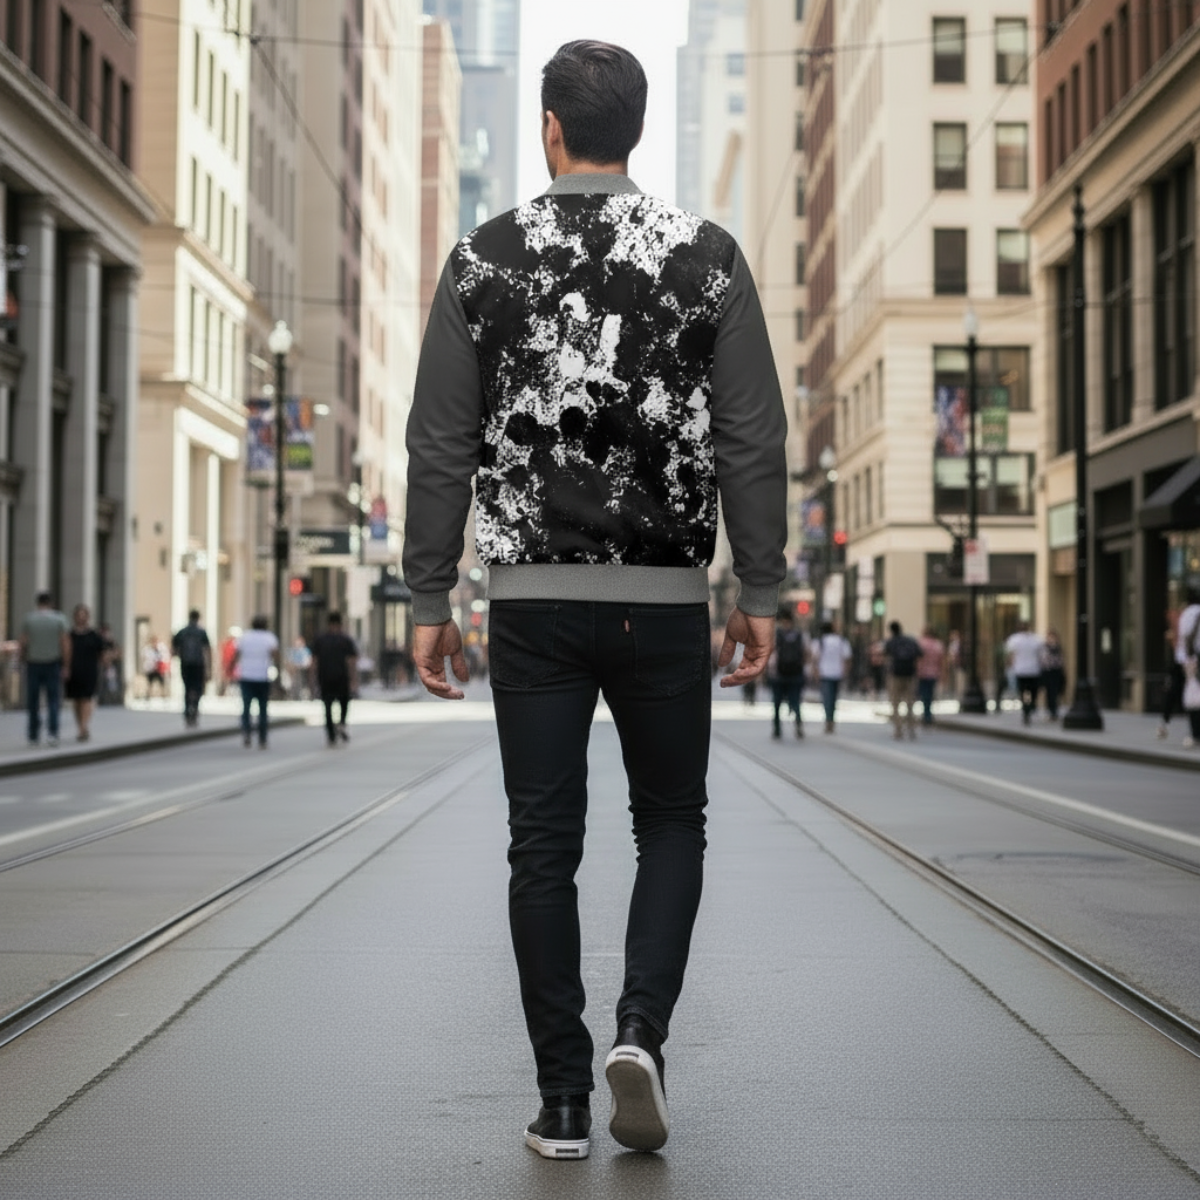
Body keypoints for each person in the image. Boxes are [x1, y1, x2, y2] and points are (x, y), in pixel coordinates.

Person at [403, 40, 786, 1162]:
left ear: (550, 129)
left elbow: (441, 440)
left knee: (541, 844)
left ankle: (564, 1102)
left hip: (531, 603)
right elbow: (749, 436)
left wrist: (432, 592)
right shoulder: (707, 258)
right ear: (637, 127)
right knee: (670, 822)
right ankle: (641, 1038)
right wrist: (756, 585)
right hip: (666, 600)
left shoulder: (484, 259)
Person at [20, 592, 70, 748]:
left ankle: (33, 735)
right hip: (52, 663)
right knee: (53, 700)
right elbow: (65, 643)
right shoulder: (59, 619)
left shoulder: (29, 619)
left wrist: (23, 659)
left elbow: (23, 642)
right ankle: (52, 734)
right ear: (51, 603)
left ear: (37, 603)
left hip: (33, 663)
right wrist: (66, 665)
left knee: (33, 700)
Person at [309, 612, 358, 747]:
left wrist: (312, 680)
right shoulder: (346, 640)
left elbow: (314, 661)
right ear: (340, 624)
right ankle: (342, 723)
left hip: (325, 677)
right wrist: (353, 679)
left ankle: (331, 734)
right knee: (343, 703)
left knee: (327, 706)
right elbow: (351, 661)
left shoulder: (320, 640)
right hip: (342, 677)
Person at [232, 616, 279, 748]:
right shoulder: (269, 637)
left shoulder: (245, 637)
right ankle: (262, 737)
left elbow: (237, 654)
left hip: (246, 675)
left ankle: (246, 732)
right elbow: (275, 655)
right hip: (262, 676)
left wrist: (231, 668)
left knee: (246, 707)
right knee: (262, 708)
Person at [65, 604, 109, 742]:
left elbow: (103, 652)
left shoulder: (93, 635)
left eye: (84, 616)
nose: (81, 619)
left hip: (89, 671)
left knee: (86, 698)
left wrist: (105, 663)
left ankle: (83, 727)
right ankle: (81, 725)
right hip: (74, 671)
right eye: (79, 616)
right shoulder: (70, 635)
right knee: (77, 700)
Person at [767, 607, 806, 740]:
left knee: (777, 703)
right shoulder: (800, 635)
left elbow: (770, 654)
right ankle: (798, 724)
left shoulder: (775, 635)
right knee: (795, 701)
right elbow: (806, 653)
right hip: (796, 674)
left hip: (779, 675)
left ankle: (777, 729)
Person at [172, 609, 212, 728]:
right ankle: (194, 709)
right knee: (198, 688)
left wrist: (180, 656)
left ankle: (187, 712)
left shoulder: (182, 632)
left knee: (187, 687)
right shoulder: (201, 632)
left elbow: (174, 648)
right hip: (198, 664)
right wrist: (209, 667)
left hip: (186, 663)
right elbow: (207, 650)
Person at [884, 619, 922, 740]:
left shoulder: (891, 642)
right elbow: (920, 654)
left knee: (895, 703)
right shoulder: (910, 640)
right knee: (910, 703)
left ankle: (898, 730)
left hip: (895, 675)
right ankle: (911, 729)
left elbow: (885, 655)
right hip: (910, 674)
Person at [811, 619, 852, 733]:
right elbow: (847, 658)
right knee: (833, 698)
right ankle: (831, 719)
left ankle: (828, 719)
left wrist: (815, 672)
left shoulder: (819, 641)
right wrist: (845, 671)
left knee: (826, 698)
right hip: (837, 673)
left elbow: (814, 659)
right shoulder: (841, 640)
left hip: (825, 673)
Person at [1173, 587, 1200, 748]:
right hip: (1194, 658)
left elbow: (1183, 639)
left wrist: (1184, 660)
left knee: (1193, 696)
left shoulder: (1187, 614)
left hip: (1191, 660)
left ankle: (1195, 733)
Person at [1005, 620, 1045, 727]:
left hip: (1021, 670)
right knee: (1032, 691)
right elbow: (1041, 655)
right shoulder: (1035, 639)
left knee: (1023, 691)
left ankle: (1027, 709)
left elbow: (1010, 655)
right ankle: (1030, 707)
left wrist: (1010, 665)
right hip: (1032, 670)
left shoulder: (1015, 639)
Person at [916, 626, 945, 727]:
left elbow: (917, 659)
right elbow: (941, 661)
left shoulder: (921, 643)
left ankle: (926, 715)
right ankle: (928, 715)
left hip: (922, 673)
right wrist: (942, 673)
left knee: (924, 694)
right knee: (930, 694)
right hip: (934, 673)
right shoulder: (938, 644)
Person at [1040, 629, 1067, 722]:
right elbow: (1043, 660)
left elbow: (1061, 661)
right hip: (1047, 672)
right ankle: (1052, 711)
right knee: (1049, 693)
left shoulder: (1058, 648)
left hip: (1056, 672)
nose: (1051, 639)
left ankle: (1054, 711)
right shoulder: (1044, 647)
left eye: (1052, 637)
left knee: (1055, 692)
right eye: (1049, 637)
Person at [287, 636, 312, 700]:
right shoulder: (293, 651)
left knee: (304, 683)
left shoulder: (306, 651)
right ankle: (294, 695)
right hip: (294, 670)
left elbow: (308, 661)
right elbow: (289, 661)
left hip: (303, 670)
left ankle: (304, 695)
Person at [142, 634, 167, 699]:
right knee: (149, 682)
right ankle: (148, 695)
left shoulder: (161, 649)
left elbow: (164, 657)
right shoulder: (147, 649)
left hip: (159, 669)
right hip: (150, 669)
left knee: (162, 682)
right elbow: (145, 658)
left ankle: (163, 695)